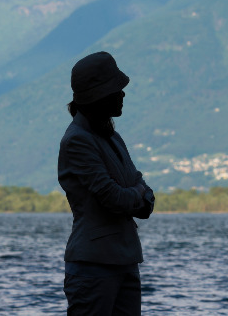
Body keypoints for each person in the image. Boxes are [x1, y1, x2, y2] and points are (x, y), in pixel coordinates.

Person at [58, 51, 156, 315]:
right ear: (99, 96)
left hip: (125, 261)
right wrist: (137, 193)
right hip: (94, 265)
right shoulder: (77, 140)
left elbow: (142, 194)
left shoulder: (112, 137)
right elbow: (114, 197)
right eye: (117, 89)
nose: (123, 94)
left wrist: (135, 193)